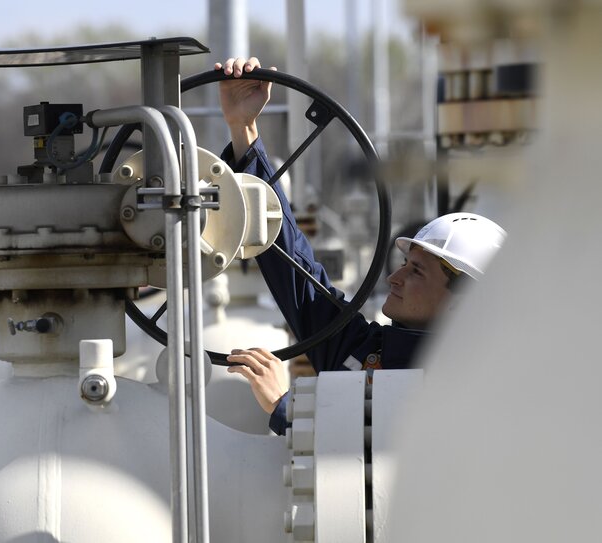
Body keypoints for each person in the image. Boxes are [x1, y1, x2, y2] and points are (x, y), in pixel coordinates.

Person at [215, 57, 507, 435]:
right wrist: (244, 129)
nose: (395, 276)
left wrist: (285, 407)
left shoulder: (467, 395)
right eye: (406, 262)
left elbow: (375, 465)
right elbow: (294, 265)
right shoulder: (367, 351)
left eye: (416, 270)